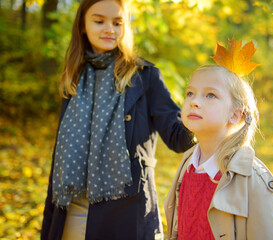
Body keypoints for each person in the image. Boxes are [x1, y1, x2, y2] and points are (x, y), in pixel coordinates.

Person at [41, 0, 194, 239]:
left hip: (126, 213)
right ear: (82, 25)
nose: (109, 29)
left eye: (117, 22)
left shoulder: (145, 77)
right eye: (99, 21)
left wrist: (201, 111)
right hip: (71, 213)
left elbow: (178, 138)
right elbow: (59, 157)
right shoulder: (73, 78)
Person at [165, 62, 273, 239]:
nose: (194, 102)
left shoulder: (254, 180)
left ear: (235, 115)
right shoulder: (188, 165)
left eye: (210, 95)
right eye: (190, 93)